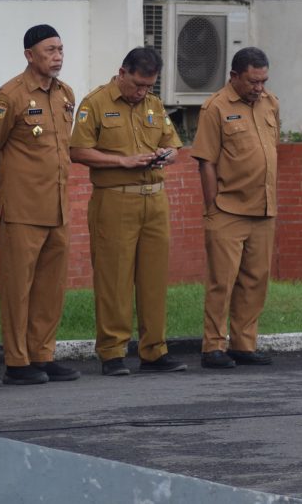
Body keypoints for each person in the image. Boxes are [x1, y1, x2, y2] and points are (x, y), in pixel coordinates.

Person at [69, 47, 186, 376]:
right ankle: (112, 351)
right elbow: (77, 150)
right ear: (122, 73)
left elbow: (174, 145)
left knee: (154, 278)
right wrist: (122, 161)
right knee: (114, 278)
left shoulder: (154, 104)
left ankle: (154, 349)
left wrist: (167, 154)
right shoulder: (95, 103)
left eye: (148, 86)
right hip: (115, 199)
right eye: (137, 84)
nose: (141, 92)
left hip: (154, 198)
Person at [0, 25, 80, 385]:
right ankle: (17, 361)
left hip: (58, 207)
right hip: (21, 207)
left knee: (50, 287)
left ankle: (42, 354)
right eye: (50, 49)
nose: (58, 56)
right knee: (17, 287)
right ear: (29, 55)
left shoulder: (65, 94)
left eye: (61, 49)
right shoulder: (9, 97)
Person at [192, 47, 278, 369]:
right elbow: (206, 162)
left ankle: (244, 343)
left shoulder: (270, 103)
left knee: (255, 281)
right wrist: (212, 206)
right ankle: (213, 346)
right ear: (234, 77)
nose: (259, 87)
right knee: (222, 282)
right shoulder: (215, 107)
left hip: (264, 208)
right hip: (228, 209)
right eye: (252, 81)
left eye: (263, 80)